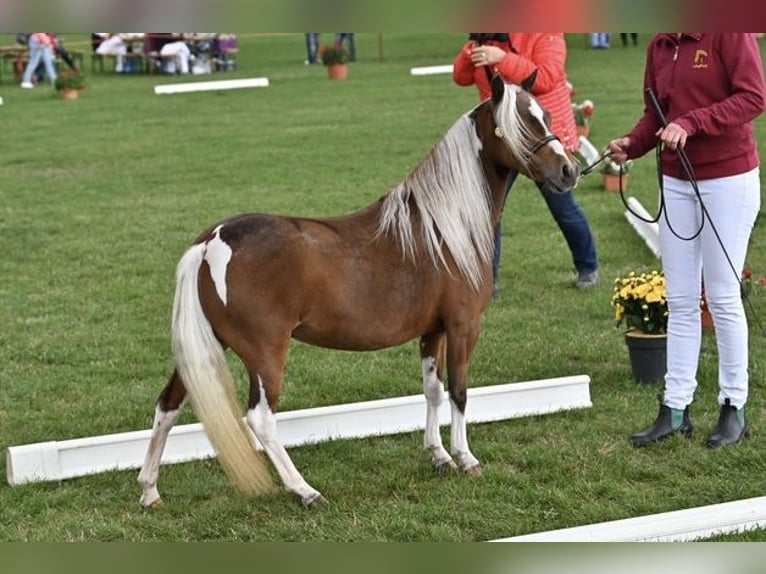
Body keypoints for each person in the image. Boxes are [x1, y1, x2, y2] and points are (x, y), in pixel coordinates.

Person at [607, 33, 765, 448]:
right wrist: (632, 145)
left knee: (722, 296)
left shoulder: (729, 31)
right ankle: (676, 409)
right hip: (675, 182)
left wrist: (693, 122)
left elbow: (753, 96)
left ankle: (734, 406)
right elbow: (655, 116)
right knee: (679, 299)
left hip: (728, 178)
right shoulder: (659, 45)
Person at [452, 33, 600, 293]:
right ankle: (489, 281)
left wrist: (503, 59)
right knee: (489, 211)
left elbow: (546, 77)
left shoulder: (545, 32)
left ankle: (588, 267)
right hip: (502, 141)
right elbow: (461, 78)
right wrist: (470, 51)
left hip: (541, 139)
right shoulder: (486, 38)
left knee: (563, 207)